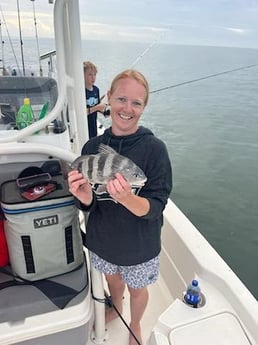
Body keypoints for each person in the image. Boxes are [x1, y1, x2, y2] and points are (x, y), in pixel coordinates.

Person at [68, 69, 172, 345]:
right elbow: (88, 205)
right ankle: (117, 308)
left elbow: (156, 207)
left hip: (139, 245)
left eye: (136, 103)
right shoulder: (92, 146)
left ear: (144, 107)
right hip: (103, 240)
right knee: (113, 281)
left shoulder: (154, 150)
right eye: (121, 99)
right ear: (109, 99)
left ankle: (135, 323)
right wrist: (84, 195)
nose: (128, 109)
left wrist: (127, 198)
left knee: (138, 289)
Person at [83, 61, 110, 138]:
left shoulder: (96, 90)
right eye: (90, 74)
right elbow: (81, 113)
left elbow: (97, 108)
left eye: (95, 74)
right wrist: (98, 107)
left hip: (93, 127)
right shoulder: (80, 91)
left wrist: (105, 112)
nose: (93, 77)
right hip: (83, 129)